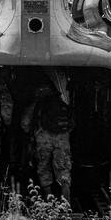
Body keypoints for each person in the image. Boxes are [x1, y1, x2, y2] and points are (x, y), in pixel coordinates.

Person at [21, 70, 74, 203]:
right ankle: (65, 193)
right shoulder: (61, 103)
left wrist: (33, 133)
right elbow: (72, 123)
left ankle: (48, 195)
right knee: (63, 166)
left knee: (44, 166)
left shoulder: (36, 105)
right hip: (62, 139)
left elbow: (24, 123)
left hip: (43, 140)